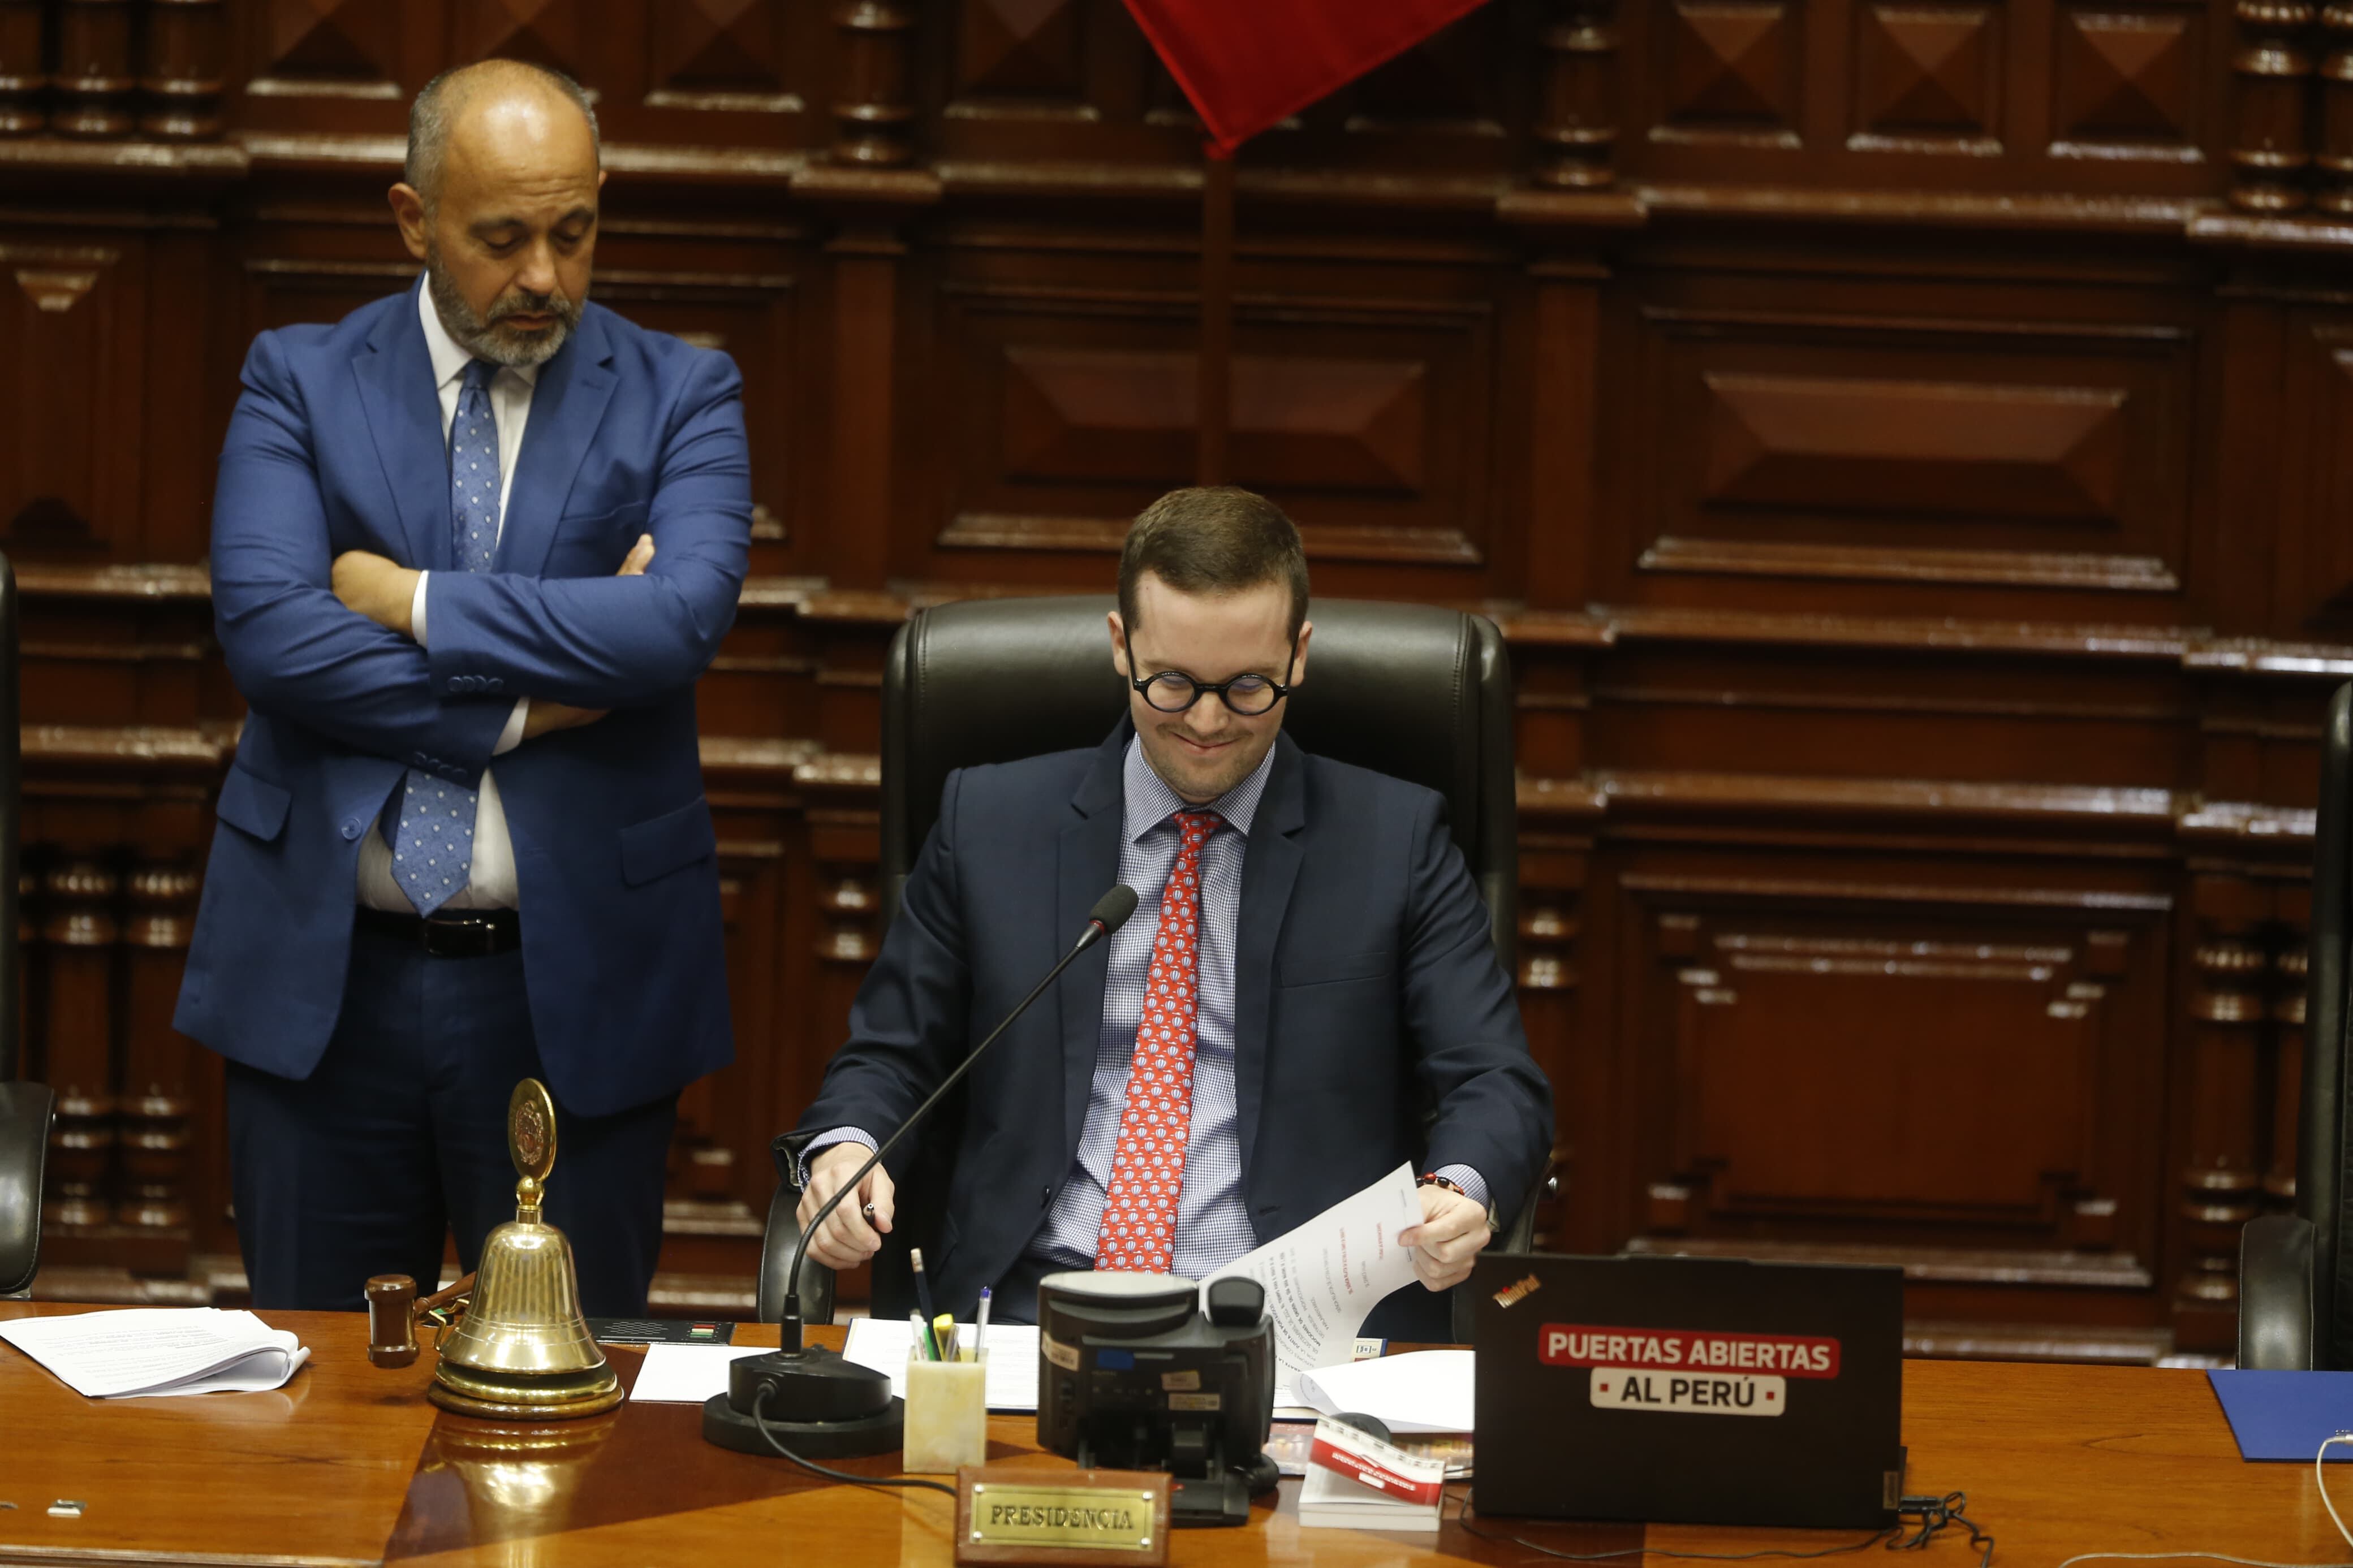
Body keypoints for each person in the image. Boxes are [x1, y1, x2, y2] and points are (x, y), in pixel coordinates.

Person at [173, 60, 751, 1315]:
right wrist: (525, 706)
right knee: (320, 1410)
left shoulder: (682, 394)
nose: (544, 275)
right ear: (413, 217)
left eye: (574, 231)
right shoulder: (300, 379)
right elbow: (274, 638)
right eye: (502, 238)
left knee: (571, 1419)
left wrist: (406, 600)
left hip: (573, 982)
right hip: (328, 983)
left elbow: (673, 626)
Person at [790, 486, 1551, 1336]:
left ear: (1299, 654)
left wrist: (1459, 1189)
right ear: (1122, 645)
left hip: (1293, 1327)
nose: (1208, 722)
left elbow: (1495, 1079)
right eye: (1175, 683)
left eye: (1249, 686)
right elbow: (891, 1057)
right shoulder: (989, 822)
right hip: (1024, 1316)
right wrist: (849, 1148)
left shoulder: (1396, 839)